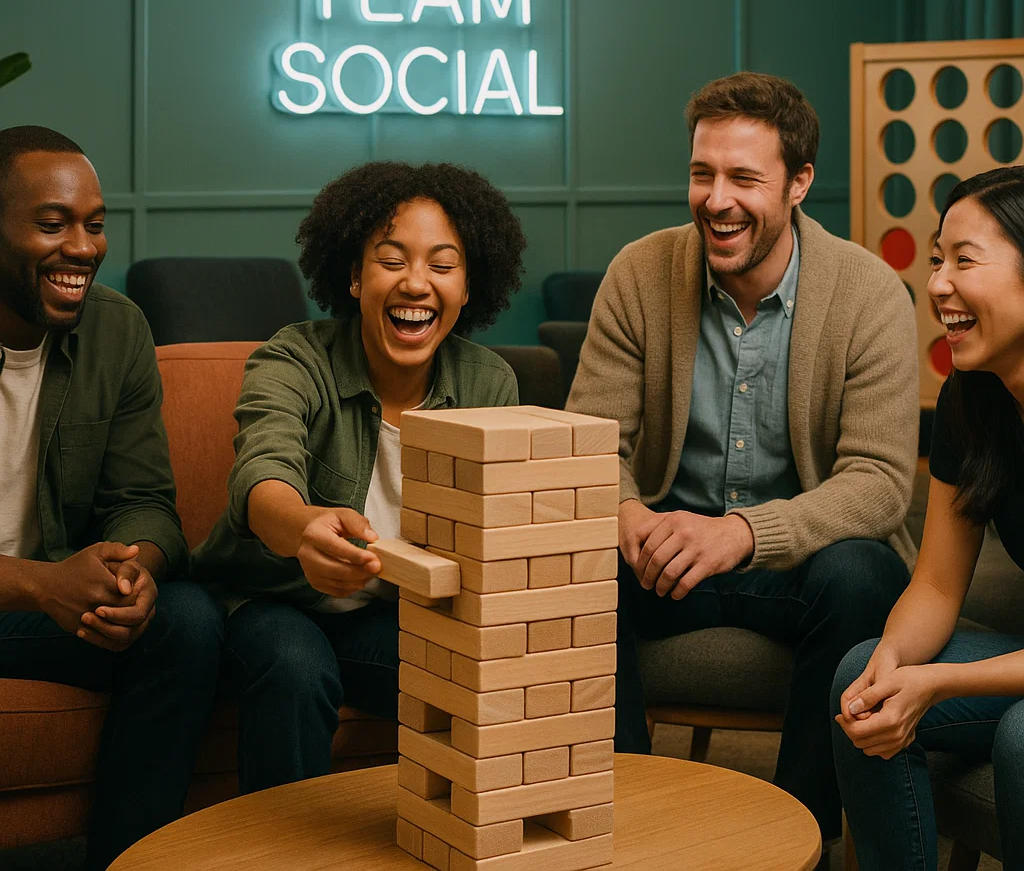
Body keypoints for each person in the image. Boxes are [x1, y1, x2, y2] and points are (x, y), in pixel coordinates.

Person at [566, 72, 918, 850]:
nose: (716, 200)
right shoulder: (639, 273)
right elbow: (590, 443)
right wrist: (625, 513)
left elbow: (880, 486)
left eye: (743, 178)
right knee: (574, 557)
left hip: (802, 569)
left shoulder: (870, 294)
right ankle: (615, 824)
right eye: (702, 173)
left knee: (864, 573)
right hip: (661, 559)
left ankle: (797, 841)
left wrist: (742, 534)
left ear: (799, 183)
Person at [192, 160, 527, 793]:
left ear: (467, 286)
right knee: (295, 667)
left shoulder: (489, 383)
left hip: (388, 616)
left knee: (471, 673)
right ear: (353, 276)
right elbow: (263, 472)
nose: (416, 284)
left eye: (442, 265)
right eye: (392, 260)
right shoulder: (295, 356)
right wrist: (304, 528)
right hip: (270, 600)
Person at [0, 125, 223, 870]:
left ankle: (130, 863)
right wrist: (41, 584)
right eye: (52, 223)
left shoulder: (115, 329)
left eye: (94, 225)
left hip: (51, 606)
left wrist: (134, 570)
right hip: (27, 594)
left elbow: (148, 501)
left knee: (186, 620)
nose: (84, 248)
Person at [833, 165, 1024, 871]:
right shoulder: (969, 400)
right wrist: (893, 660)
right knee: (859, 677)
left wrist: (940, 682)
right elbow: (939, 586)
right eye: (937, 259)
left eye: (963, 260)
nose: (938, 282)